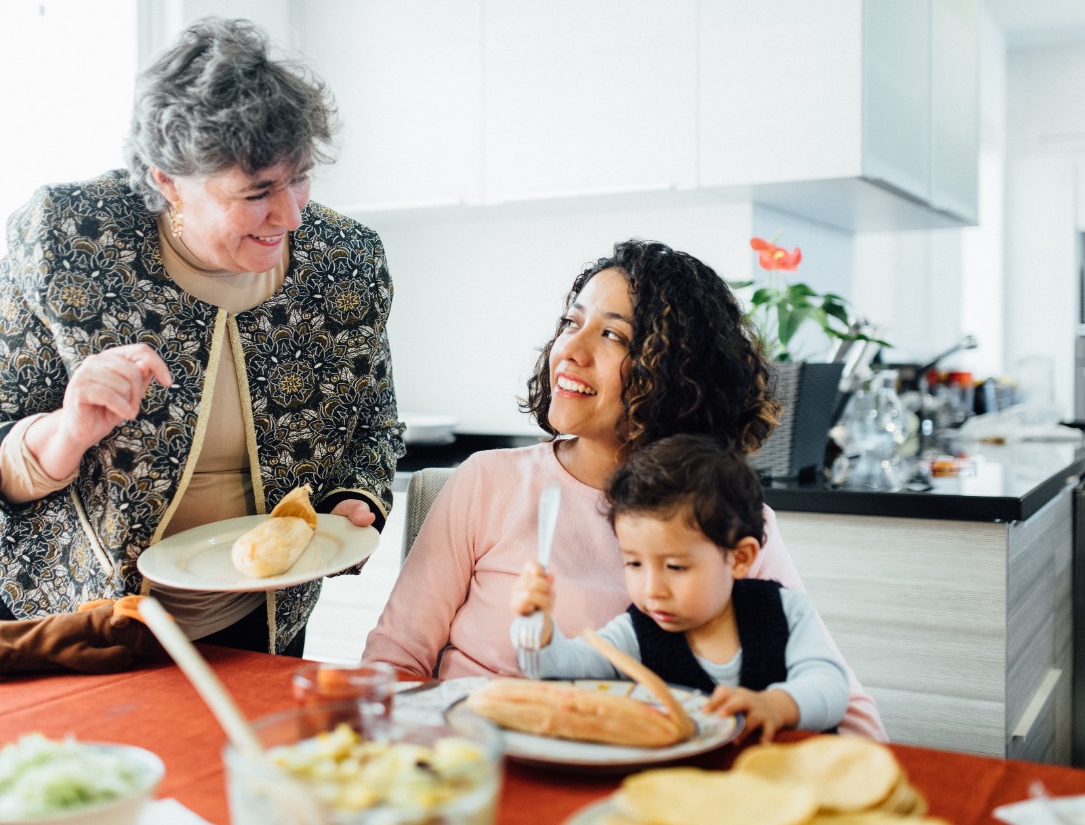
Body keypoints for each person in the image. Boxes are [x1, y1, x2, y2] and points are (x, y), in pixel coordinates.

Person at [0, 18, 403, 657]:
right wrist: (63, 435)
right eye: (258, 192)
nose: (290, 215)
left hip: (257, 631)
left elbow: (375, 424)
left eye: (301, 178)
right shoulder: (68, 241)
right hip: (74, 625)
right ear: (167, 180)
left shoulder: (345, 261)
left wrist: (352, 503)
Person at [364, 238, 887, 740]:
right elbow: (393, 663)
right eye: (571, 322)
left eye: (613, 335)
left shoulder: (728, 517)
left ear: (677, 372)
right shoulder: (486, 482)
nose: (570, 349)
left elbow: (853, 714)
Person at [510, 434, 849, 743]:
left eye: (675, 567)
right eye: (634, 564)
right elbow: (561, 668)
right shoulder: (636, 633)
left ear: (740, 558)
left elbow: (831, 687)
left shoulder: (785, 611)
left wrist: (777, 704)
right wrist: (537, 627)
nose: (652, 589)